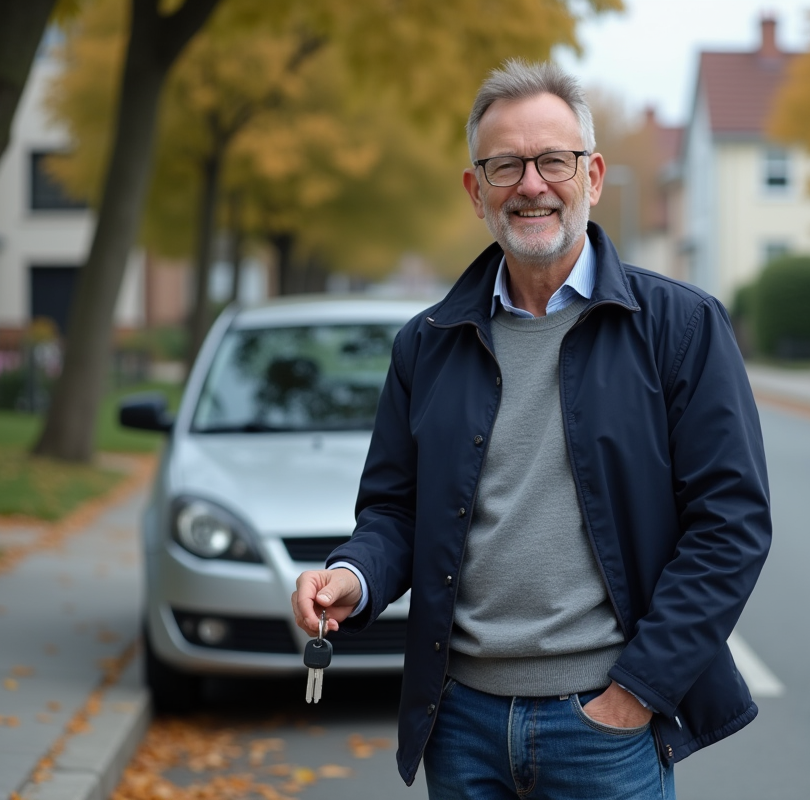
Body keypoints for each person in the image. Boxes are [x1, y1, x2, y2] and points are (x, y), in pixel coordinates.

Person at [292, 59, 771, 799]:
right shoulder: (428, 342)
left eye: (553, 160)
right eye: (505, 165)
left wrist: (637, 694)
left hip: (605, 729)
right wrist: (352, 577)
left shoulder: (680, 328)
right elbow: (396, 510)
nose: (531, 184)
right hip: (460, 725)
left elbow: (730, 526)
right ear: (475, 191)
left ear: (594, 175)